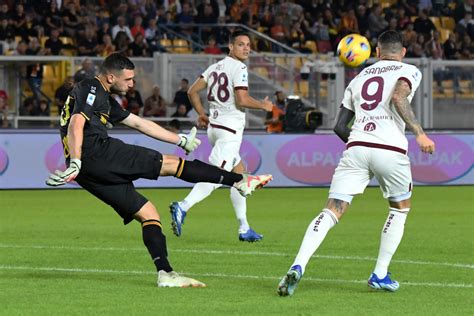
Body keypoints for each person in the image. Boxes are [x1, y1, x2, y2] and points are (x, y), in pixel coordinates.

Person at [45, 53, 272, 288]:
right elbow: (76, 123)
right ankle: (238, 180)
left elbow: (139, 123)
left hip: (89, 173)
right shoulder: (91, 88)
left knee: (149, 214)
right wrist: (76, 160)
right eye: (129, 79)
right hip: (96, 154)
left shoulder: (103, 97)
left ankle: (165, 274)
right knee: (172, 164)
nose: (132, 84)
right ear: (111, 77)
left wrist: (179, 139)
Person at [277, 30, 436, 296]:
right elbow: (399, 97)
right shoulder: (408, 70)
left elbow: (339, 126)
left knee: (332, 210)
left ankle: (298, 265)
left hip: (357, 147)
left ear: (376, 52)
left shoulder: (359, 77)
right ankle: (380, 274)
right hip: (390, 149)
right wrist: (419, 133)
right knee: (399, 209)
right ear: (403, 52)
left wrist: (363, 142)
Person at [169, 30, 274, 242]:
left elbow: (191, 91)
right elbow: (242, 99)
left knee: (240, 175)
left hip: (215, 129)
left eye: (248, 45)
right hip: (229, 132)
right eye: (241, 44)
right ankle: (183, 206)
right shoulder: (240, 68)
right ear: (231, 47)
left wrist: (201, 114)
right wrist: (263, 105)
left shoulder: (215, 67)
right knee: (215, 176)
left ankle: (244, 228)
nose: (246, 48)